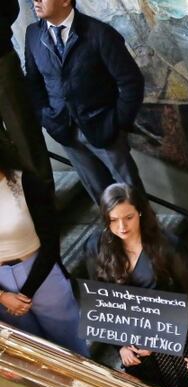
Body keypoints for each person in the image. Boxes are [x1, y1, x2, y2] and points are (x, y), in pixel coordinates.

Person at [22, 0, 145, 203]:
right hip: (64, 131)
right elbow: (33, 82)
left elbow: (131, 82)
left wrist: (118, 123)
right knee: (100, 197)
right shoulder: (33, 34)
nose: (36, 1)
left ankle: (145, 225)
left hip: (104, 129)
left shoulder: (100, 33)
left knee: (131, 197)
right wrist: (47, 118)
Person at [85, 183, 188, 387]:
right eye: (113, 220)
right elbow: (99, 300)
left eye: (128, 217)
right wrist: (119, 346)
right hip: (130, 343)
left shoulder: (169, 246)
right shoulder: (95, 246)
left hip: (169, 337)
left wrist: (158, 341)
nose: (122, 227)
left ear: (141, 212)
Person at [0, 152, 85, 355]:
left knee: (72, 348)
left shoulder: (25, 181)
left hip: (40, 273)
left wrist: (26, 293)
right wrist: (2, 296)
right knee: (31, 354)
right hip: (2, 286)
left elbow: (50, 241)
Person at [1, 0, 54, 194]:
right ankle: (16, 202)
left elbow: (9, 7)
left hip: (1, 59)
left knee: (23, 131)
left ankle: (43, 203)